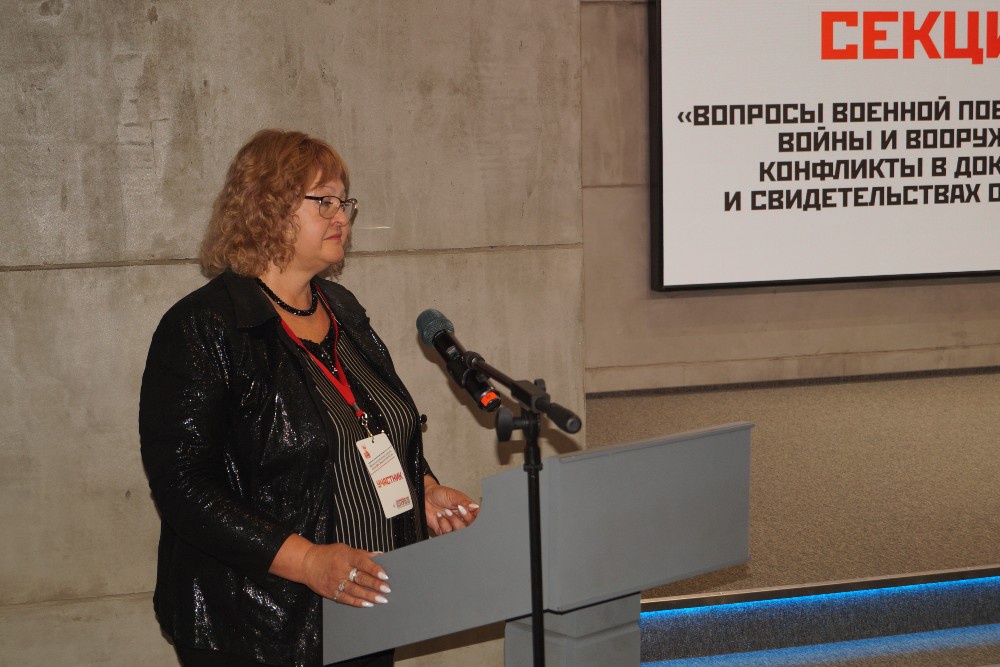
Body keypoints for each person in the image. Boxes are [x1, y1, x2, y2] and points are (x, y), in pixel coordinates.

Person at [139, 129, 479, 667]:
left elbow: (367, 425)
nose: (341, 216)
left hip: (366, 600)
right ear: (267, 208)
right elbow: (184, 487)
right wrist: (308, 562)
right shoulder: (204, 326)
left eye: (345, 202)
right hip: (256, 625)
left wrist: (424, 488)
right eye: (325, 201)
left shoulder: (341, 308)